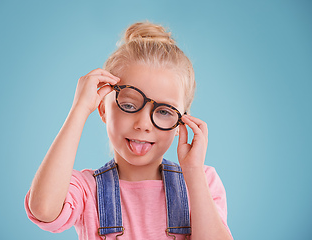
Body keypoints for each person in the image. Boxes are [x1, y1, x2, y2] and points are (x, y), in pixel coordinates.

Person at [25, 21, 233, 240]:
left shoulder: (202, 181)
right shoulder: (87, 190)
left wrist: (193, 172)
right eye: (130, 105)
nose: (143, 124)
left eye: (164, 111)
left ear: (181, 123)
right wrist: (79, 110)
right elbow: (43, 209)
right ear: (103, 109)